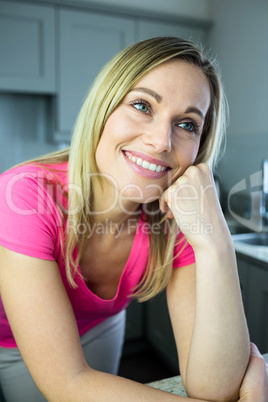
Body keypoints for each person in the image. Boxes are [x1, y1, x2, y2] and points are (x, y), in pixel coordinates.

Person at [0, 36, 266, 401]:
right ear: (103, 108)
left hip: (99, 325)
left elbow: (215, 387)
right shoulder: (24, 194)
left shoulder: (178, 216)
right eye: (142, 105)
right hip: (8, 340)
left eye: (187, 124)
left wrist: (216, 239)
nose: (161, 141)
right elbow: (67, 383)